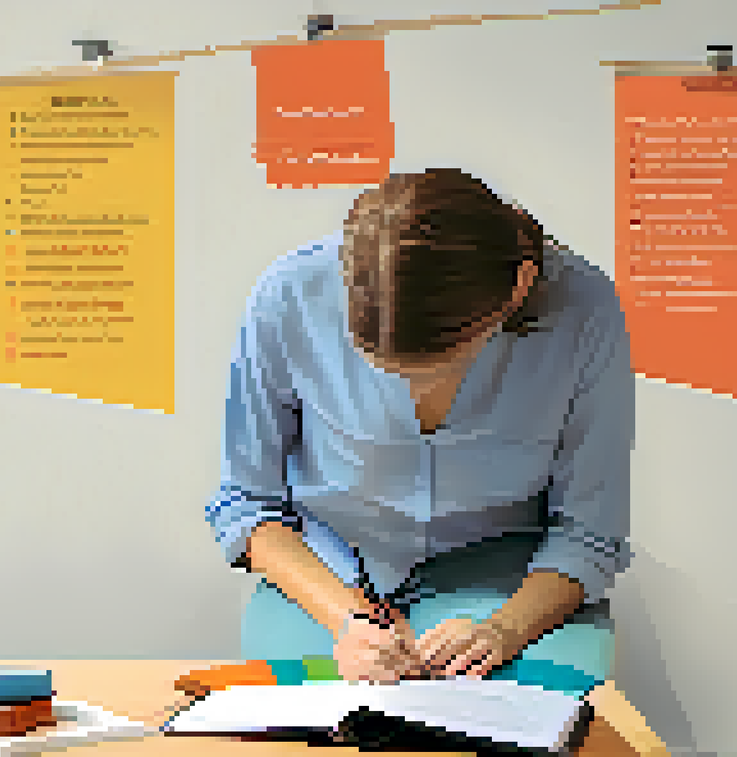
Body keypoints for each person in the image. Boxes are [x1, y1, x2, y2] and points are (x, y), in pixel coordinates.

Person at [206, 168, 633, 692]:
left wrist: (503, 630)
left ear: (516, 290)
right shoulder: (288, 296)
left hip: (509, 576)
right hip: (327, 573)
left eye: (442, 366)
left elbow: (590, 532)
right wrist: (349, 619)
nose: (416, 390)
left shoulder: (585, 311)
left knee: (521, 730)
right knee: (317, 739)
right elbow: (247, 504)